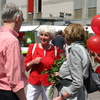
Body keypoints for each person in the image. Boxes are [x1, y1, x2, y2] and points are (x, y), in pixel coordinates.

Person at [53, 23, 91, 100]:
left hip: (72, 95)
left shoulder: (75, 50)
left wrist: (62, 97)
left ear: (70, 35)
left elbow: (77, 82)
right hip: (77, 93)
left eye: (65, 35)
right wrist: (61, 74)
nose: (64, 37)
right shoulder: (81, 48)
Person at [0, 3, 28, 100]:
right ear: (17, 18)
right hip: (7, 92)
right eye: (22, 20)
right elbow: (14, 79)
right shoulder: (12, 40)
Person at [25, 25, 60, 100]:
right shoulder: (33, 47)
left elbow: (58, 66)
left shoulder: (55, 49)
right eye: (41, 34)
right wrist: (32, 62)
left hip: (49, 83)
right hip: (34, 82)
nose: (43, 37)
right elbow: (25, 66)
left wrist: (57, 73)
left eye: (46, 35)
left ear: (51, 37)